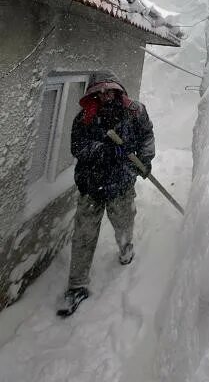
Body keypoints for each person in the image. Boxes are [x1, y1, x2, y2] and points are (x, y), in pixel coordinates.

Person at [57, 70, 155, 316]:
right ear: (93, 94)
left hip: (121, 184)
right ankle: (77, 286)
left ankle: (125, 248)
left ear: (118, 89)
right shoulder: (85, 118)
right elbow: (77, 147)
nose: (105, 94)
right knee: (84, 235)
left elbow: (147, 136)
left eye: (109, 89)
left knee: (123, 222)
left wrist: (145, 160)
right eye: (100, 91)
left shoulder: (135, 112)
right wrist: (105, 151)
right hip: (91, 186)